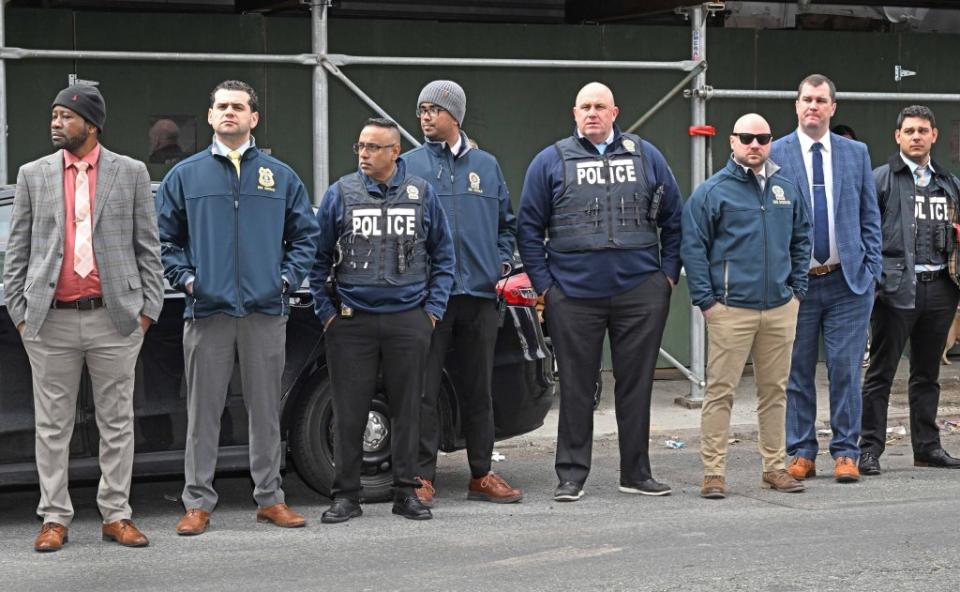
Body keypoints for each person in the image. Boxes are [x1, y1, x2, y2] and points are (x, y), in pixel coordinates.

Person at [4, 84, 164, 551]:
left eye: (65, 116)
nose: (55, 123)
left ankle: (116, 514)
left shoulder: (130, 172)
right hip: (49, 322)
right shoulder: (33, 174)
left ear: (91, 125)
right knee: (52, 425)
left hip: (114, 320)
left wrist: (146, 314)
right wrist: (20, 312)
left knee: (117, 422)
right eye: (53, 115)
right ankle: (54, 517)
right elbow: (19, 251)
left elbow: (147, 249)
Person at [156, 80, 318, 535]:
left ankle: (270, 498)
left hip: (266, 312)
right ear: (210, 116)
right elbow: (164, 242)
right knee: (203, 411)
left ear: (253, 118)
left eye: (239, 107)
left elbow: (306, 237)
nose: (230, 112)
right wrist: (188, 281)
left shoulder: (281, 176)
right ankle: (197, 502)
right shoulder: (184, 176)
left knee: (266, 411)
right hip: (206, 313)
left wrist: (284, 280)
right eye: (222, 106)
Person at [518, 81, 682, 502]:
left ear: (615, 113)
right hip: (572, 295)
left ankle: (636, 472)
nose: (592, 113)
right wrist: (546, 287)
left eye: (600, 107)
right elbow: (528, 228)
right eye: (585, 106)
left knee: (636, 384)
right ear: (574, 113)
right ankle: (571, 476)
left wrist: (665, 278)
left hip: (639, 292)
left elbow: (674, 219)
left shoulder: (647, 156)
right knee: (575, 385)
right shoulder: (549, 161)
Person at [311, 118, 455, 523]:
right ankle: (346, 496)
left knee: (409, 409)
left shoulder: (422, 195)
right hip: (351, 322)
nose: (364, 154)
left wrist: (431, 313)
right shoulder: (341, 193)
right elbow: (316, 258)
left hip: (408, 320)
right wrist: (327, 316)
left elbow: (445, 257)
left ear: (395, 152)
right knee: (349, 411)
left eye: (373, 147)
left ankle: (406, 493)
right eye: (360, 146)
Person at [403, 80, 522, 506]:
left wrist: (501, 264)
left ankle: (482, 474)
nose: (425, 117)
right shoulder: (409, 164)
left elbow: (507, 224)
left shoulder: (486, 166)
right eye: (421, 110)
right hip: (429, 300)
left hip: (479, 295)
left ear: (455, 115)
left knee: (479, 388)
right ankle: (421, 475)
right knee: (424, 389)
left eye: (433, 109)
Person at [682, 113, 811, 498]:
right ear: (732, 142)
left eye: (763, 138)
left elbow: (802, 238)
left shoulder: (786, 188)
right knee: (720, 390)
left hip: (779, 307)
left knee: (775, 390)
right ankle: (713, 473)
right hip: (730, 310)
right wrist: (707, 303)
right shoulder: (712, 192)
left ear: (771, 142)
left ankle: (774, 467)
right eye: (747, 138)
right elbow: (693, 248)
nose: (755, 145)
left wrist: (797, 290)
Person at [771, 74, 882, 484]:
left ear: (833, 107)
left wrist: (870, 272)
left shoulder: (856, 153)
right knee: (797, 371)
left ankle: (846, 452)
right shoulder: (776, 152)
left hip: (847, 283)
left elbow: (869, 215)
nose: (813, 107)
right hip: (797, 284)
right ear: (796, 106)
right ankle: (801, 452)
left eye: (821, 100)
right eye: (806, 100)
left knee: (845, 370)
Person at [859, 105, 960, 473]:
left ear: (934, 136)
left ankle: (927, 448)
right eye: (910, 131)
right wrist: (872, 283)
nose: (916, 136)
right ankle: (869, 449)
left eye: (923, 130)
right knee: (880, 373)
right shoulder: (880, 180)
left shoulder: (948, 183)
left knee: (927, 374)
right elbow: (862, 234)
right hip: (894, 289)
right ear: (897, 136)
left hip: (940, 288)